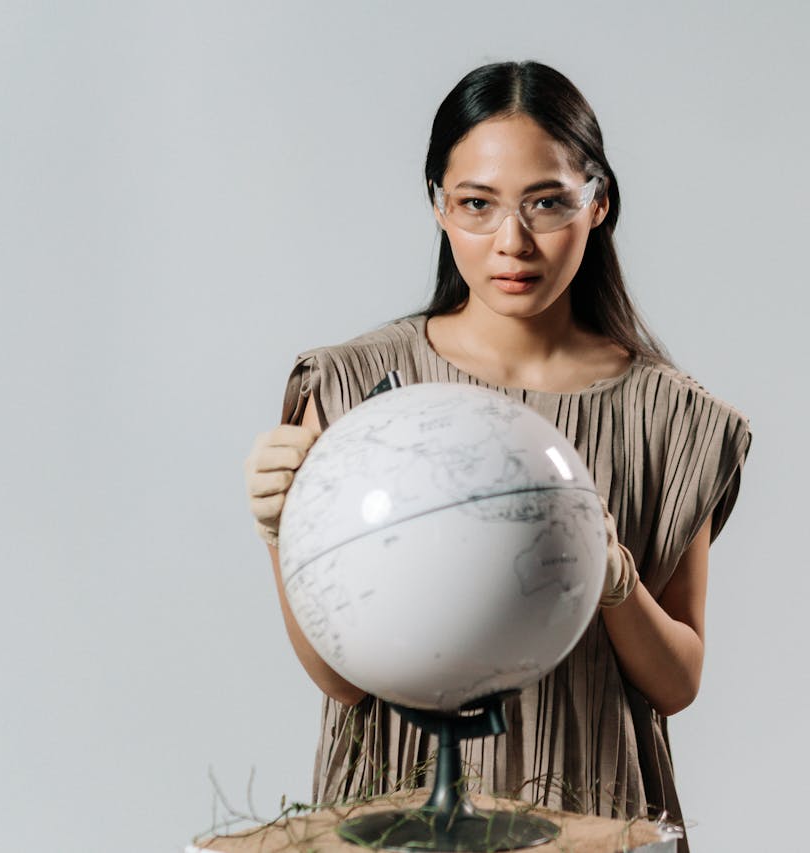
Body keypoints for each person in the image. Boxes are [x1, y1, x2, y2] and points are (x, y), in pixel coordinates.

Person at [243, 60, 751, 849]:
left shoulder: (672, 417)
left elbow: (678, 680)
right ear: (438, 206)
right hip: (402, 808)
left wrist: (611, 579)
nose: (511, 242)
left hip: (591, 805)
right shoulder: (347, 388)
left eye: (546, 203)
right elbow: (344, 683)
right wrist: (285, 531)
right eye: (477, 204)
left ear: (599, 202)